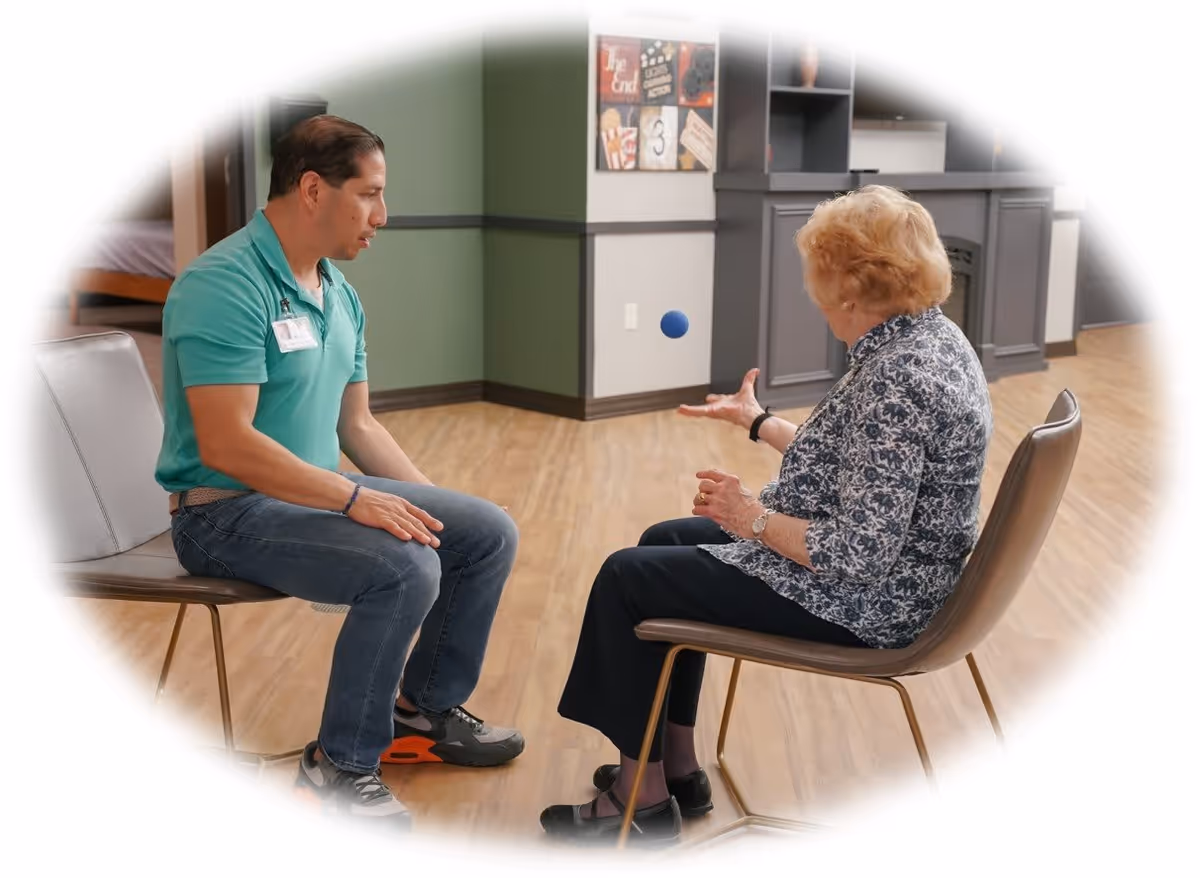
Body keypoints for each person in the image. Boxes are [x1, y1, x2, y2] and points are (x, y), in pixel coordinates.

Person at [540, 185, 994, 844]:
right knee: (664, 540)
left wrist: (749, 516)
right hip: (911, 582)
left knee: (626, 578)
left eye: (817, 277)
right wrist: (758, 422)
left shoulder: (896, 380)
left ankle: (640, 803)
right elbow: (867, 467)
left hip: (871, 602)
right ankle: (676, 768)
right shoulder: (931, 338)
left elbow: (858, 554)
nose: (812, 293)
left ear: (848, 291)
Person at [156, 115, 523, 831]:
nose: (383, 216)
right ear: (313, 189)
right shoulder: (224, 284)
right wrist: (354, 500)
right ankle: (338, 767)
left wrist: (434, 509)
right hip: (221, 512)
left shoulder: (337, 292)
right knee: (403, 569)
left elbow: (358, 427)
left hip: (309, 496)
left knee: (484, 533)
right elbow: (227, 445)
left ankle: (422, 713)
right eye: (370, 194)